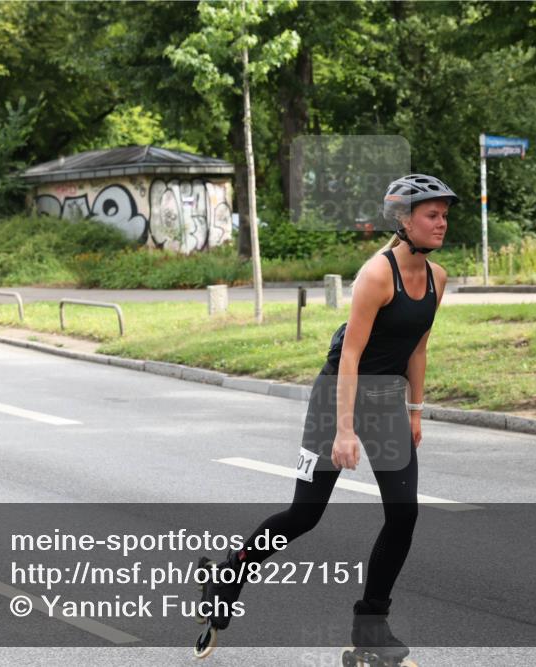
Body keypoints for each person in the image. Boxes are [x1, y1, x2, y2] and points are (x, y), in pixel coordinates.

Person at [195, 174, 457, 663]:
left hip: (385, 404)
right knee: (303, 515)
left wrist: (416, 411)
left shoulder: (438, 278)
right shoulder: (377, 275)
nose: (441, 223)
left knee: (404, 514)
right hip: (335, 399)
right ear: (403, 220)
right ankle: (229, 573)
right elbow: (352, 356)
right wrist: (343, 430)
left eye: (444, 215)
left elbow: (418, 347)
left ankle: (370, 626)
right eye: (431, 215)